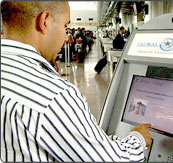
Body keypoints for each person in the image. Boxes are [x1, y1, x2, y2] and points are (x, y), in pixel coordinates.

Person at [1, 1, 152, 162]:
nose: (67, 36)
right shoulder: (53, 95)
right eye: (65, 26)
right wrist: (138, 138)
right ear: (44, 21)